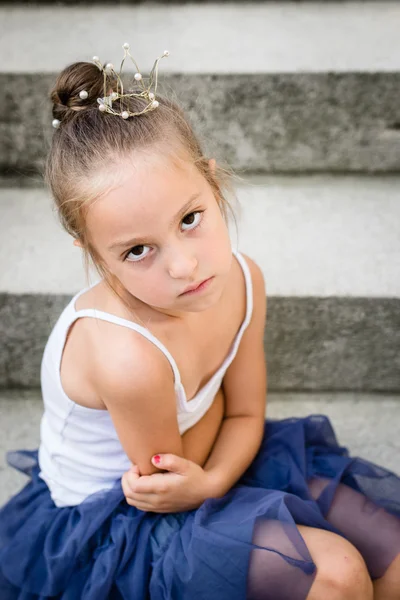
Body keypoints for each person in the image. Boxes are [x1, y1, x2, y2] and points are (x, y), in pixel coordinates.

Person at [0, 45, 399, 600]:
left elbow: (244, 411)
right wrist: (211, 472)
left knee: (394, 560)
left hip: (209, 466)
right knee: (337, 575)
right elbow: (175, 483)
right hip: (128, 516)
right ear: (90, 250)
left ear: (214, 184)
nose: (184, 266)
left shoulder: (243, 279)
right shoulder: (126, 357)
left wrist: (215, 474)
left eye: (190, 219)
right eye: (138, 250)